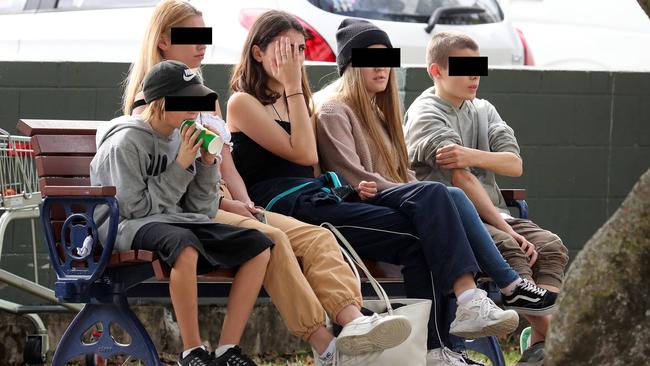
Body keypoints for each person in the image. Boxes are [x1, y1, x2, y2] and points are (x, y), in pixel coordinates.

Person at [227, 9, 527, 365]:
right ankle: (470, 298)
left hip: (321, 199)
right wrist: (294, 86)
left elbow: (316, 170)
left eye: (299, 49)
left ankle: (435, 350)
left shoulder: (299, 103)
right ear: (258, 52)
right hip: (286, 208)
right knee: (434, 195)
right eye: (285, 49)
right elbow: (303, 153)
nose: (295, 58)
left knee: (421, 238)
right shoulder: (242, 102)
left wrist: (351, 193)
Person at [122, 2, 412, 365]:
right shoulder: (151, 101)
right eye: (190, 36)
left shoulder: (203, 95)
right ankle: (326, 346)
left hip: (224, 200)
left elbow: (225, 166)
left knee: (318, 237)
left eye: (204, 34)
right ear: (163, 41)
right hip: (189, 209)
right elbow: (172, 180)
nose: (202, 44)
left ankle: (351, 322)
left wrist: (243, 201)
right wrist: (230, 204)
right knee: (271, 240)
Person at [314, 19, 559, 366]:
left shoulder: (381, 114)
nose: (382, 68)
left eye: (388, 59)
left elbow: (406, 174)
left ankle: (444, 344)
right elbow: (356, 178)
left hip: (393, 204)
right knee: (440, 197)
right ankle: (494, 293)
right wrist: (420, 192)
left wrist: (420, 190)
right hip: (359, 208)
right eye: (372, 59)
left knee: (445, 203)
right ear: (351, 65)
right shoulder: (333, 110)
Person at [403, 31, 570, 366]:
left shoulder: (483, 109)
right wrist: (508, 230)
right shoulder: (426, 113)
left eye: (478, 67)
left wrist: (468, 153)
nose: (474, 75)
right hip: (453, 220)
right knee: (512, 248)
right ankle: (556, 340)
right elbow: (460, 180)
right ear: (435, 71)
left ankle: (540, 339)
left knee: (551, 245)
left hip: (493, 213)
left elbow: (514, 164)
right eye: (464, 67)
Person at [92, 60, 272, 366]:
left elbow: (200, 210)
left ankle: (227, 349)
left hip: (174, 222)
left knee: (258, 246)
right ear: (161, 102)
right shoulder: (125, 142)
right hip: (125, 227)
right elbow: (132, 208)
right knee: (184, 246)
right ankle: (192, 352)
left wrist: (206, 165)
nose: (195, 107)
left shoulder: (181, 137)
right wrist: (178, 167)